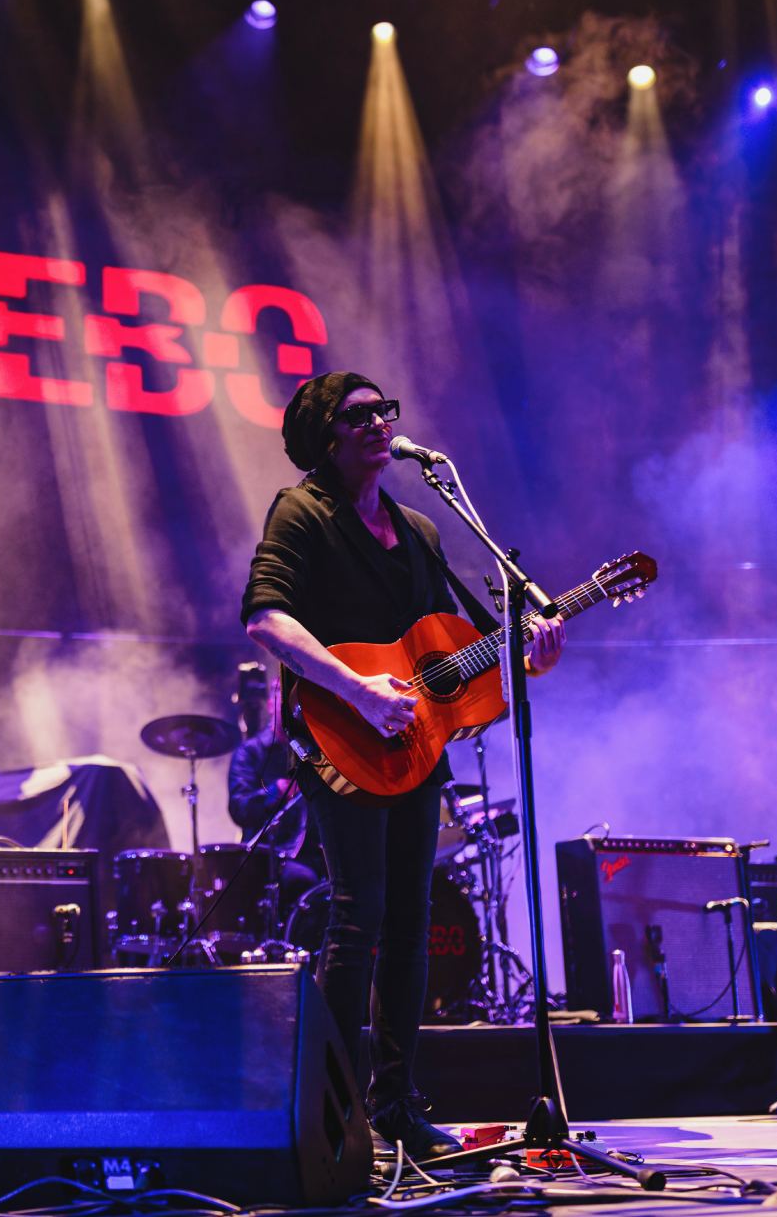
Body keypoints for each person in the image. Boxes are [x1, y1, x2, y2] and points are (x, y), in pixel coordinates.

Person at [242, 372, 564, 1158]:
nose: (381, 422)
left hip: (415, 749)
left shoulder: (418, 526)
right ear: (326, 435)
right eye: (360, 415)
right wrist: (356, 688)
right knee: (357, 920)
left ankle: (395, 1106)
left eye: (387, 409)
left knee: (412, 927)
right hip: (339, 736)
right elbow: (265, 618)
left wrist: (529, 654)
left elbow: (458, 649)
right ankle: (329, 1111)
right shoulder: (302, 512)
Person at [226, 668, 325, 905]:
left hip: (314, 855)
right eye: (286, 700)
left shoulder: (316, 752)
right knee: (300, 880)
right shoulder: (250, 753)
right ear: (272, 705)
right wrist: (276, 791)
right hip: (266, 858)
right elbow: (239, 808)